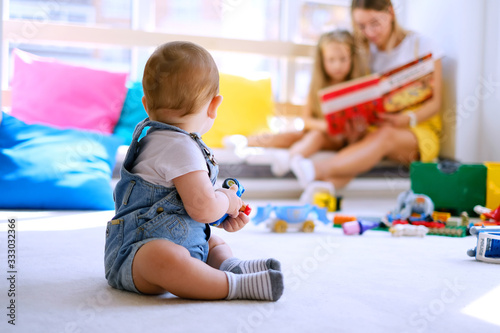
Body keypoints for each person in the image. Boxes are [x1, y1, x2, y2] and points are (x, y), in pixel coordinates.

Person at [104, 41, 284, 301]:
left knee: (212, 243)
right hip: (134, 257)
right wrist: (226, 200)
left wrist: (219, 216)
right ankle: (234, 285)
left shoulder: (166, 141)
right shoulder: (179, 147)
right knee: (165, 257)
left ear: (146, 103)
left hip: (184, 243)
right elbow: (202, 207)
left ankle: (229, 265)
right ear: (214, 105)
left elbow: (189, 207)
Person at [291, 0, 444, 189]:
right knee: (364, 140)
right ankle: (321, 193)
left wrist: (404, 120)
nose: (369, 32)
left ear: (391, 13)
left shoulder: (422, 45)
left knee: (384, 135)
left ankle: (316, 169)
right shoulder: (365, 53)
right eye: (361, 26)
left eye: (375, 23)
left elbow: (435, 104)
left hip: (416, 131)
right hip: (375, 129)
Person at [237, 29, 363, 176]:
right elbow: (306, 120)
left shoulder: (356, 88)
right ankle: (245, 141)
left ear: (352, 59)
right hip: (317, 132)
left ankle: (289, 158)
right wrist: (324, 126)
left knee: (316, 136)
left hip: (339, 139)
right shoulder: (317, 86)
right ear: (322, 60)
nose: (337, 65)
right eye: (331, 60)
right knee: (290, 136)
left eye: (343, 59)